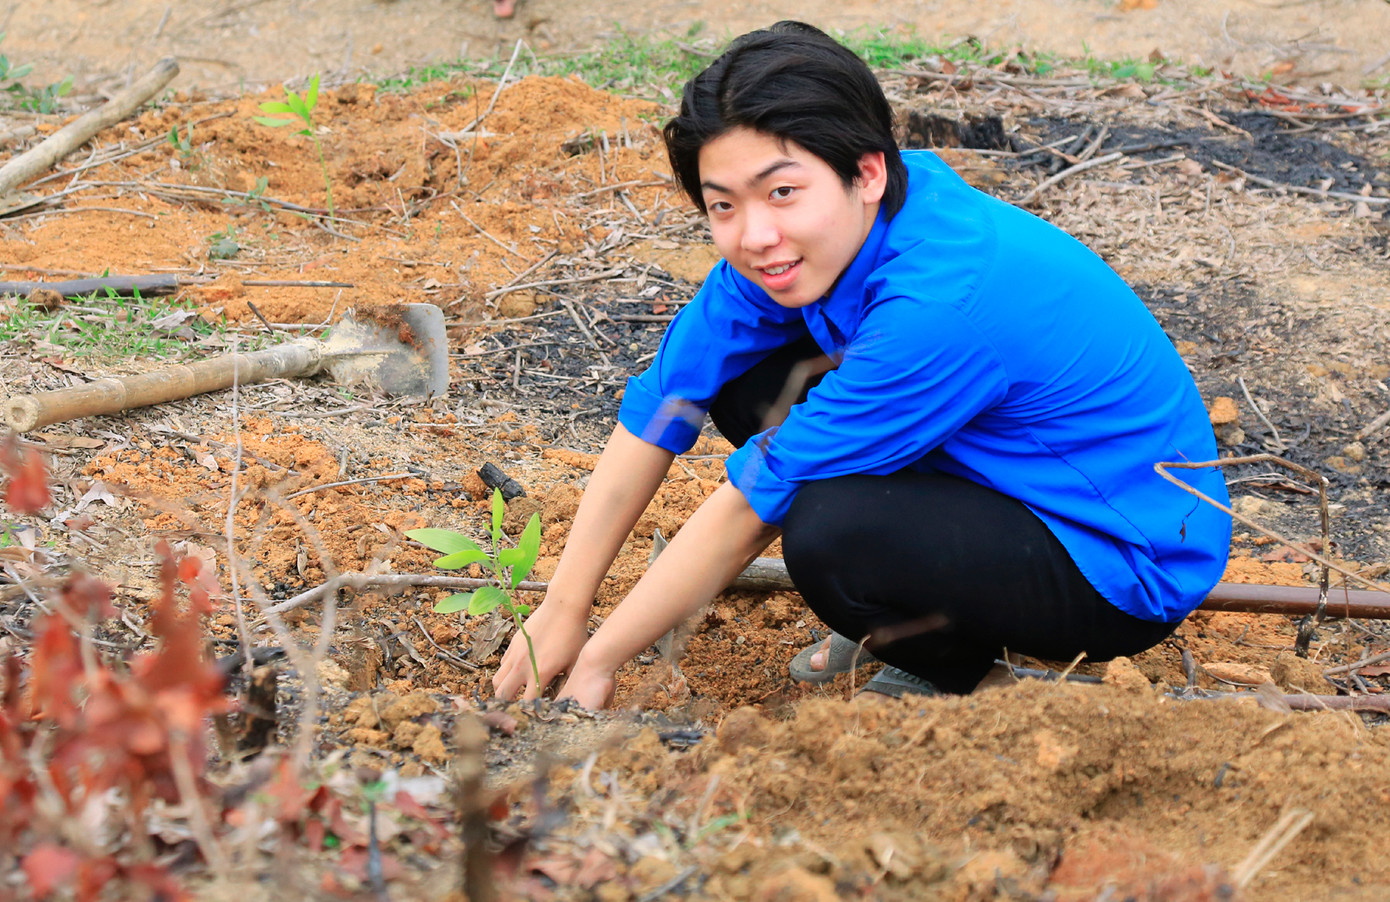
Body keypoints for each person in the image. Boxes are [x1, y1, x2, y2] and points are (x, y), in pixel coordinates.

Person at [492, 21, 1231, 707]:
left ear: (867, 172)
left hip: (1116, 557)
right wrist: (564, 607)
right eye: (724, 205)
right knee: (744, 383)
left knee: (830, 531)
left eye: (784, 192)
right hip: (1002, 473)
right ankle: (915, 594)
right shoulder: (813, 243)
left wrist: (598, 660)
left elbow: (757, 502)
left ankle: (959, 669)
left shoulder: (941, 303)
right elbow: (666, 404)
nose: (756, 235)